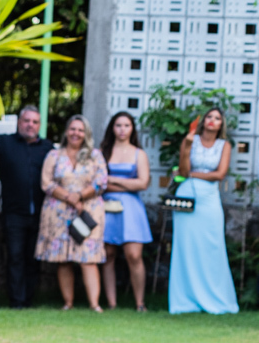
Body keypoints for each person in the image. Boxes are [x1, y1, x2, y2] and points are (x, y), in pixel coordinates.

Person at [169, 108, 239, 314]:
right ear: (203, 121)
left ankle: (216, 298)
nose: (212, 120)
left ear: (221, 124)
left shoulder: (224, 145)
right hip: (187, 195)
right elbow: (182, 172)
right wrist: (188, 147)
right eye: (209, 116)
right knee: (186, 246)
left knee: (212, 246)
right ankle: (185, 300)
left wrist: (193, 175)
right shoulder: (190, 140)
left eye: (217, 118)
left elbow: (220, 174)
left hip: (209, 198)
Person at [35, 115, 108, 311]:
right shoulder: (54, 155)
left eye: (80, 130)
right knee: (63, 259)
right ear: (67, 131)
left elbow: (101, 181)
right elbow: (46, 182)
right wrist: (69, 197)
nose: (76, 133)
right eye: (73, 129)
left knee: (88, 257)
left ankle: (94, 304)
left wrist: (80, 196)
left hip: (88, 210)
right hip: (59, 210)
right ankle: (68, 303)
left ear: (86, 134)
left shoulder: (95, 155)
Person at [0, 105, 53, 308]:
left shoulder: (48, 148)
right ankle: (16, 301)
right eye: (26, 121)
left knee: (33, 259)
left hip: (40, 213)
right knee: (15, 256)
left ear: (39, 125)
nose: (30, 125)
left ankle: (29, 300)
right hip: (14, 212)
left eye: (34, 122)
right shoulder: (5, 143)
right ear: (19, 123)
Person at [99, 112, 153, 312]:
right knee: (108, 254)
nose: (122, 129)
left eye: (127, 125)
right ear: (112, 128)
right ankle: (112, 303)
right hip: (106, 206)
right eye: (118, 125)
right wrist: (127, 184)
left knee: (134, 255)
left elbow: (143, 183)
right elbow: (99, 183)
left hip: (131, 209)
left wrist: (112, 180)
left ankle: (140, 303)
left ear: (132, 128)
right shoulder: (103, 151)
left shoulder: (139, 154)